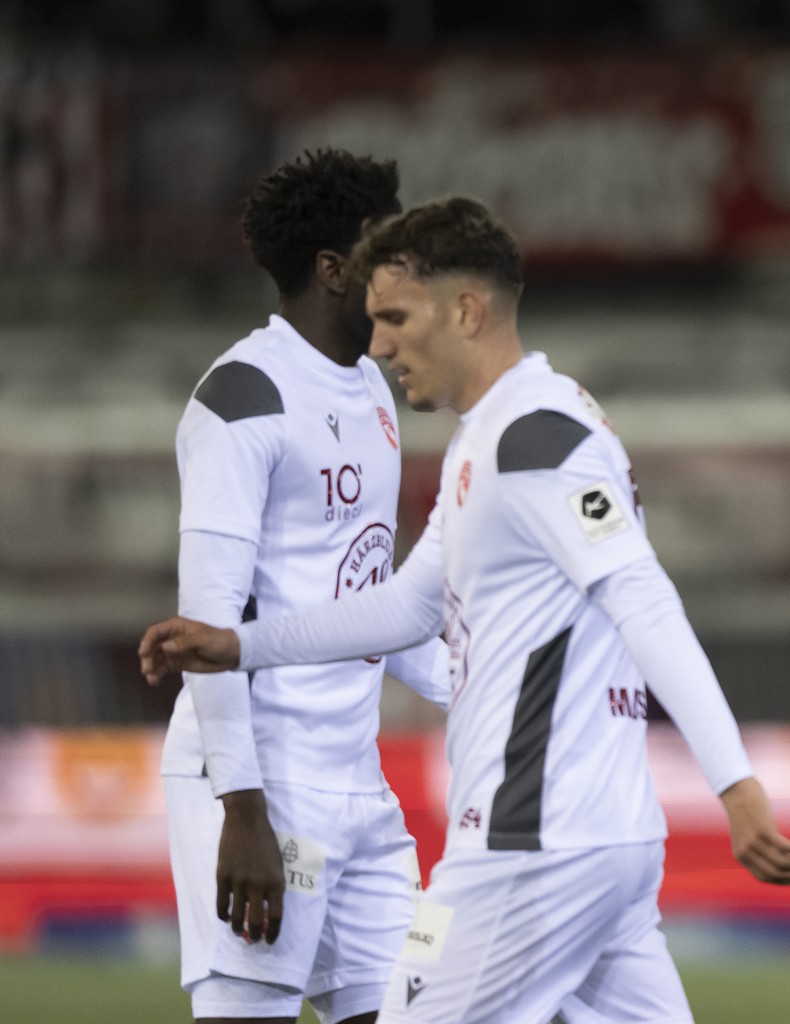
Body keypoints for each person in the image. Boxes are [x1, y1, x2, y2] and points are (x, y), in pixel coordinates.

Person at [141, 196, 790, 1024]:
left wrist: (736, 785)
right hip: (611, 847)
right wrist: (239, 646)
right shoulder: (494, 439)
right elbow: (402, 607)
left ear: (465, 310)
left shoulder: (535, 441)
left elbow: (643, 597)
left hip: (523, 847)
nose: (379, 345)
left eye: (395, 318)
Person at [159, 147, 452, 1024]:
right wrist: (240, 809)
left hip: (358, 784)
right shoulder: (241, 398)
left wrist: (488, 685)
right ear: (335, 270)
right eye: (386, 248)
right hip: (261, 786)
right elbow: (207, 622)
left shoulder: (372, 386)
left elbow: (360, 602)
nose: (407, 267)